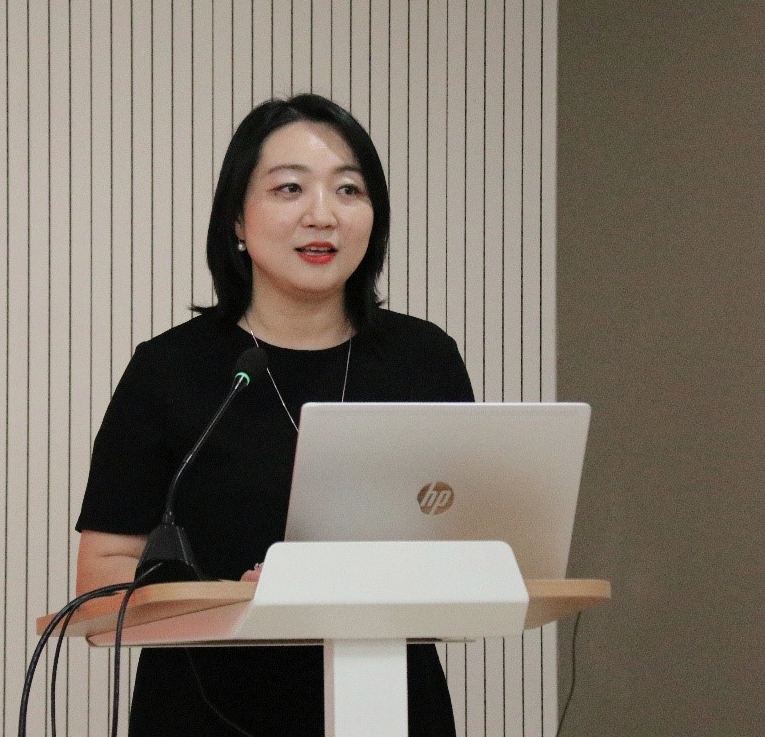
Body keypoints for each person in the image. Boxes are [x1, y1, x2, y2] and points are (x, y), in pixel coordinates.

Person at [75, 93, 474, 736]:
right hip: (206, 709)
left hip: (389, 703)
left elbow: (469, 548)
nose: (322, 215)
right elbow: (103, 570)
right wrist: (241, 602)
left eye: (349, 190)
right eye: (290, 188)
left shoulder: (422, 360)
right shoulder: (171, 369)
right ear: (237, 217)